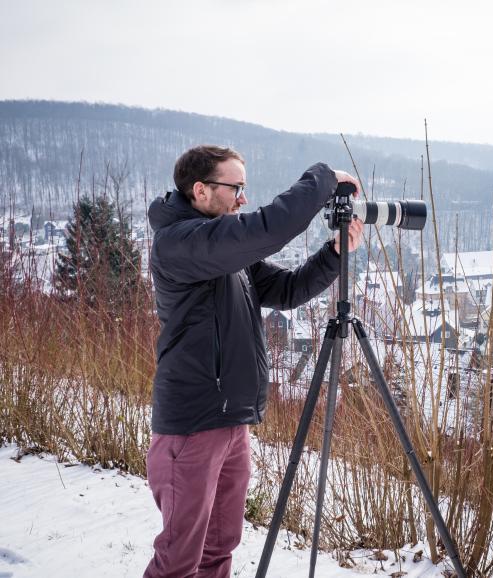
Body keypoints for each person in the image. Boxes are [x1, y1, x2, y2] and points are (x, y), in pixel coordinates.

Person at [143, 145, 364, 578]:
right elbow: (265, 229)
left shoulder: (223, 249)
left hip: (231, 421)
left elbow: (287, 290)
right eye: (236, 188)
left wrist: (333, 256)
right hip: (191, 425)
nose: (243, 198)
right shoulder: (182, 243)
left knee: (219, 548)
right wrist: (322, 178)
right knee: (178, 559)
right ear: (201, 191)